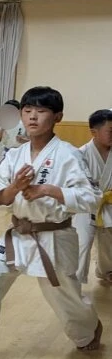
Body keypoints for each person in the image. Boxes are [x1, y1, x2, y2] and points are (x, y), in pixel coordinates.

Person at [0, 86, 102, 359]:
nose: (32, 117)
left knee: (64, 298)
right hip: (17, 234)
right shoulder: (15, 155)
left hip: (54, 235)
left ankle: (89, 329)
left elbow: (90, 197)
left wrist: (47, 189)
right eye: (27, 111)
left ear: (57, 117)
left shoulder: (68, 155)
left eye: (41, 111)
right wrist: (15, 188)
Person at [76, 109, 112, 283]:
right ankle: (76, 281)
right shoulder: (80, 154)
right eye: (111, 131)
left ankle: (105, 271)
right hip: (86, 205)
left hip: (110, 204)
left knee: (108, 242)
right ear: (94, 132)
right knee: (82, 243)